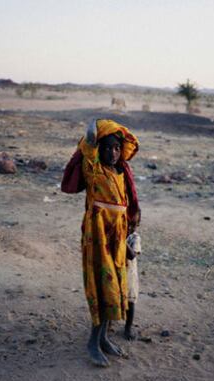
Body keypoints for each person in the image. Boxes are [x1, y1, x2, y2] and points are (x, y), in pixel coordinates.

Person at [79, 118, 139, 367]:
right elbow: (89, 144)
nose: (112, 153)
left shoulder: (120, 173)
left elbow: (124, 211)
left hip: (117, 241)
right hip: (98, 239)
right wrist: (96, 128)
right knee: (102, 289)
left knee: (116, 289)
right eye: (107, 148)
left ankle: (103, 338)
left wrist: (126, 241)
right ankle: (93, 342)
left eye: (116, 148)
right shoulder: (95, 170)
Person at [124, 209, 142, 341]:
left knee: (130, 302)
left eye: (134, 224)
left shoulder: (135, 238)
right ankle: (107, 325)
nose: (130, 227)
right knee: (112, 298)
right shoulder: (116, 233)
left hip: (129, 274)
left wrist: (121, 241)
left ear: (138, 225)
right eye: (127, 222)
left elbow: (132, 255)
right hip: (116, 272)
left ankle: (128, 328)